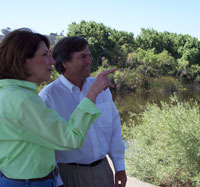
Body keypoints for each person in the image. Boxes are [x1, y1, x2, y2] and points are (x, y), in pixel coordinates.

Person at [0, 28, 116, 187]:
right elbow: (70, 138)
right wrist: (92, 94)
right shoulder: (23, 100)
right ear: (23, 59)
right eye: (45, 55)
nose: (52, 62)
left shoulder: (7, 93)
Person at [39, 36, 127, 187]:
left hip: (103, 170)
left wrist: (119, 167)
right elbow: (46, 147)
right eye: (82, 57)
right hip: (70, 176)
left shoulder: (101, 86)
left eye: (89, 56)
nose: (89, 61)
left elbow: (114, 127)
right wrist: (58, 182)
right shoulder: (48, 97)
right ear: (65, 63)